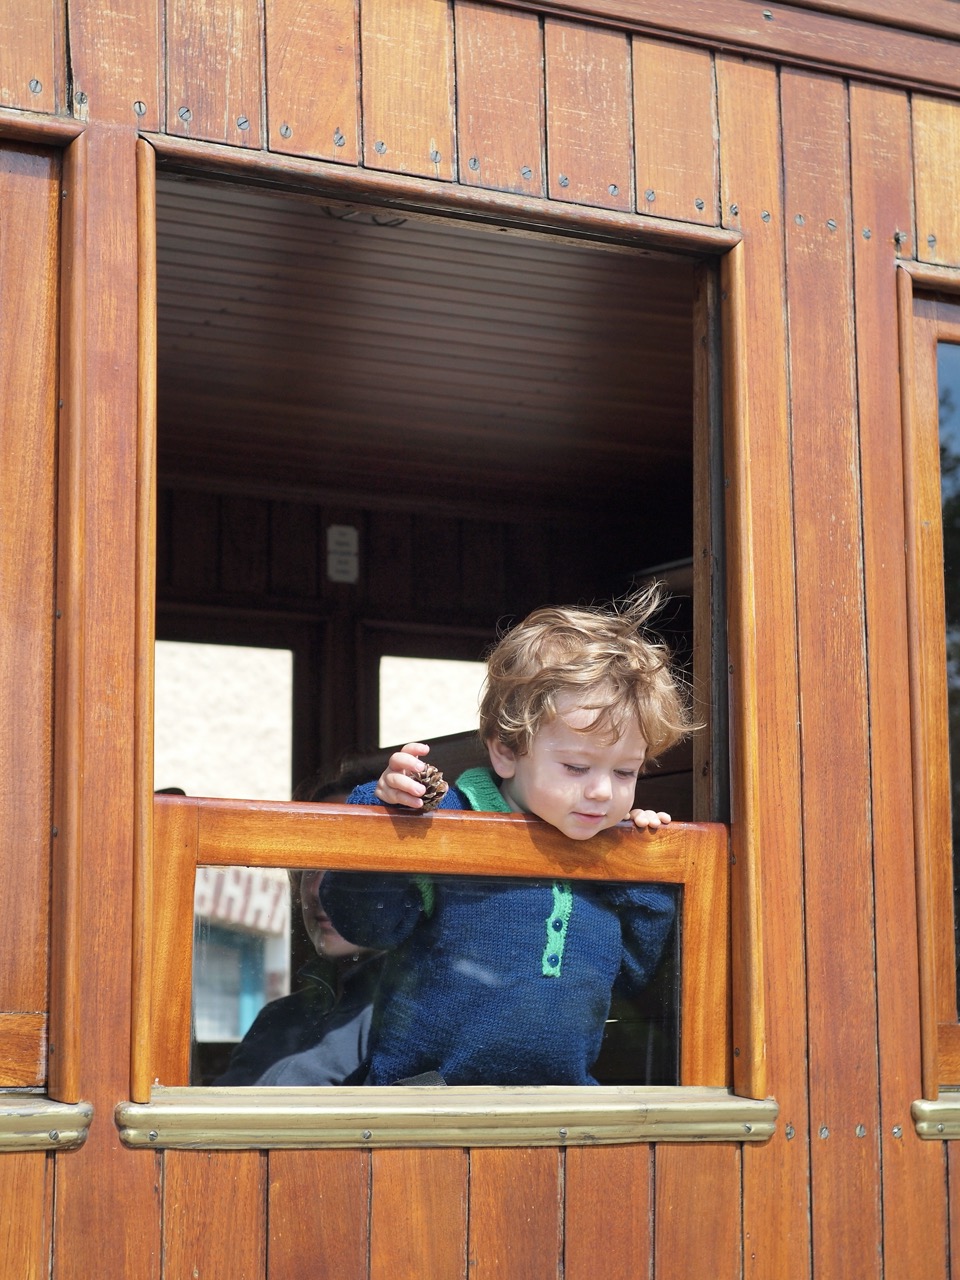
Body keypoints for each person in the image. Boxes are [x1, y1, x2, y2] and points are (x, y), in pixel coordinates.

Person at [319, 585, 697, 1086]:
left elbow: (634, 974)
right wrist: (387, 808)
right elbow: (364, 922)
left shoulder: (607, 849)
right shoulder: (446, 820)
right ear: (505, 751)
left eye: (626, 773)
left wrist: (643, 868)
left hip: (558, 1109)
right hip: (419, 1106)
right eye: (576, 766)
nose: (603, 791)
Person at [213, 770, 384, 1086]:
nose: (319, 889)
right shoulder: (278, 1017)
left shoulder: (409, 1019)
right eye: (310, 864)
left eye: (346, 866)